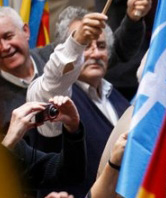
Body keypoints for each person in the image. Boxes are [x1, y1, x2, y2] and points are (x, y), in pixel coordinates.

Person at [26, 7, 132, 198]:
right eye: (86, 46)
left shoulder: (119, 100)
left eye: (101, 45)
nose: (95, 53)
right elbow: (53, 82)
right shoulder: (58, 96)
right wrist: (76, 43)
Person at [0, 4, 147, 128]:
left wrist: (133, 19)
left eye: (8, 36)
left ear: (25, 31)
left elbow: (114, 51)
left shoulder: (54, 56)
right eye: (85, 46)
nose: (4, 47)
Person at [2, 97, 85, 193]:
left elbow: (71, 174)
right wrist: (8, 142)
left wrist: (72, 128)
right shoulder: (8, 143)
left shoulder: (16, 148)